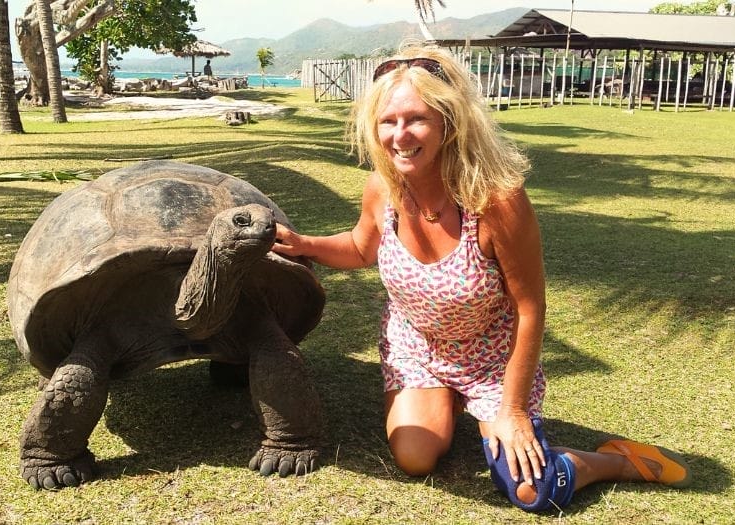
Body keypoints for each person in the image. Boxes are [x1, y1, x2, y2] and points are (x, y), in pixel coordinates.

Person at [271, 44, 691, 512]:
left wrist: (512, 410)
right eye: (388, 121)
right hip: (418, 349)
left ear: (450, 123)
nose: (399, 135)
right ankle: (445, 399)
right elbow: (360, 247)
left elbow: (530, 308)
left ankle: (614, 461)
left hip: (491, 359)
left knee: (531, 490)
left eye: (416, 119)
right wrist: (304, 243)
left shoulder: (497, 201)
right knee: (415, 458)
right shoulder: (382, 188)